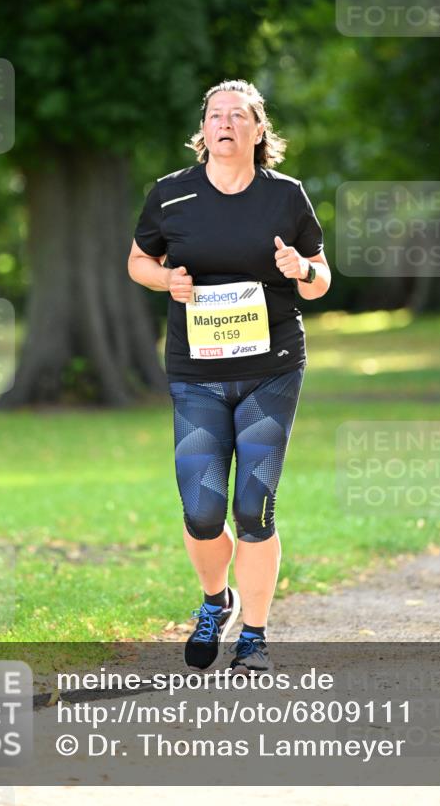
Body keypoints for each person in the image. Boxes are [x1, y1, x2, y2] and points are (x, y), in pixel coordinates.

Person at [128, 79, 330, 673]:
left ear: (258, 130)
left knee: (254, 507)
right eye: (216, 115)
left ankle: (256, 637)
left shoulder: (287, 198)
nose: (226, 124)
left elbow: (321, 278)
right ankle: (218, 602)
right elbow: (139, 260)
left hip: (272, 371)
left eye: (238, 116)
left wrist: (301, 268)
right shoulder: (170, 196)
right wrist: (168, 281)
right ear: (203, 131)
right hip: (196, 373)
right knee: (201, 510)